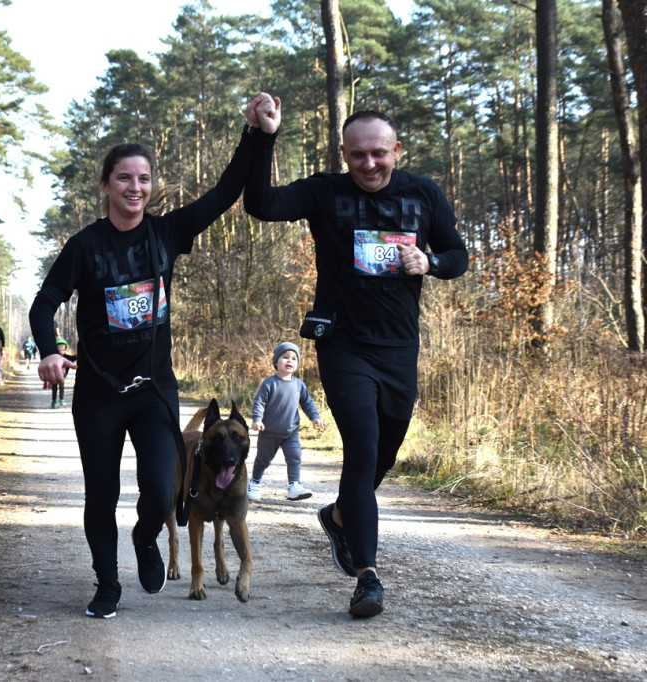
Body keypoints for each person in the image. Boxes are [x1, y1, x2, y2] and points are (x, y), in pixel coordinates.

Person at [29, 95, 271, 619]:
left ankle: (145, 539)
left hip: (154, 390)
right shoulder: (85, 246)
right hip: (98, 393)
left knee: (163, 492)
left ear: (150, 185)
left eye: (143, 179)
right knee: (101, 492)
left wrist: (255, 134)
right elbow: (45, 303)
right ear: (106, 185)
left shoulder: (167, 234)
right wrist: (49, 350)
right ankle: (106, 584)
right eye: (123, 178)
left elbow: (226, 191)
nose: (134, 188)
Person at [243, 95, 469, 618]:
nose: (369, 164)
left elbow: (457, 256)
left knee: (384, 453)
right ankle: (368, 576)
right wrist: (263, 137)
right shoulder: (326, 192)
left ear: (395, 150)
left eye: (378, 154)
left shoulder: (423, 194)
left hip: (398, 348)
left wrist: (429, 261)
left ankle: (342, 515)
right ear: (344, 153)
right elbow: (261, 204)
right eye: (358, 155)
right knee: (363, 450)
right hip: (343, 343)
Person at [248, 342, 327, 503]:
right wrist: (257, 420)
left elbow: (307, 403)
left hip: (291, 432)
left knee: (295, 457)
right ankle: (255, 483)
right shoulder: (270, 383)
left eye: (293, 359)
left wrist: (315, 417)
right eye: (285, 358)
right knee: (263, 460)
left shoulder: (299, 384)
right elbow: (259, 403)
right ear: (276, 362)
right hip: (269, 432)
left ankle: (294, 486)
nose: (289, 361)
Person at [49, 337, 76, 408]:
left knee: (61, 386)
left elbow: (72, 359)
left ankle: (61, 399)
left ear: (65, 350)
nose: (61, 351)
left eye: (63, 350)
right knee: (54, 388)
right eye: (59, 349)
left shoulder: (66, 357)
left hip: (62, 376)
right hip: (54, 376)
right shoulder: (54, 357)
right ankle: (54, 401)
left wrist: (76, 356)